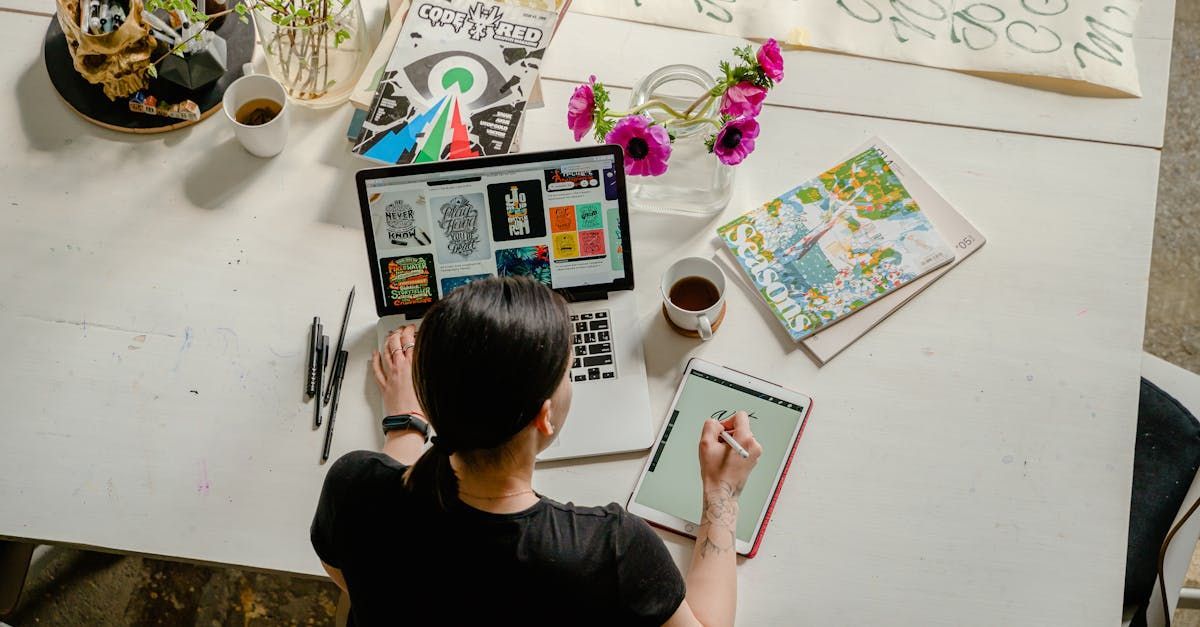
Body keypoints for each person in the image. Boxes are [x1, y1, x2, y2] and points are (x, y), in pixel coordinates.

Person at [311, 276, 763, 626]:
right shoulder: (610, 550)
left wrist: (404, 422)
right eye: (568, 371)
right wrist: (721, 493)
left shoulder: (353, 487)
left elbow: (352, 573)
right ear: (544, 418)